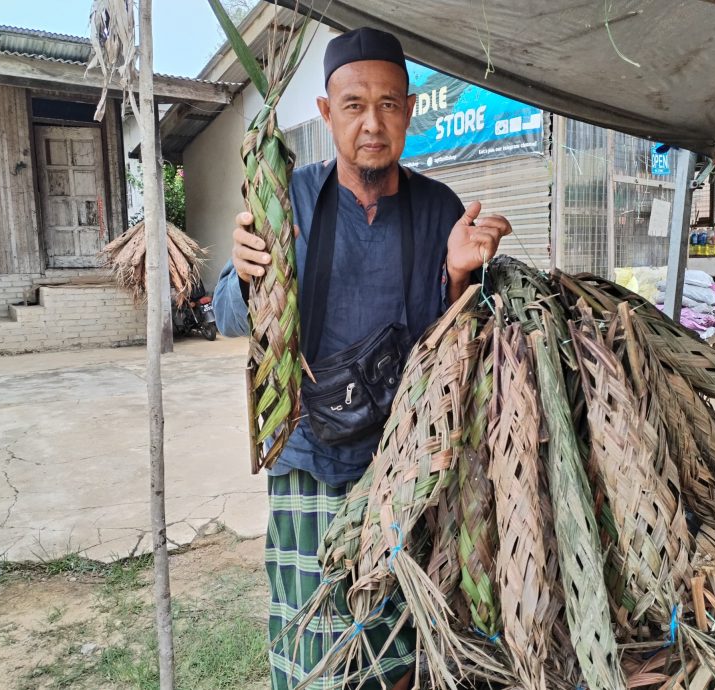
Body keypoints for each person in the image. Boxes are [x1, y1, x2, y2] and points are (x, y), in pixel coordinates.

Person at [213, 27, 512, 690]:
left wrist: (463, 276)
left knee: (395, 642)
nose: (372, 123)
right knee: (310, 643)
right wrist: (243, 275)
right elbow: (230, 318)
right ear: (326, 113)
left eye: (387, 104)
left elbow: (462, 348)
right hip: (308, 459)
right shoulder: (288, 200)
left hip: (400, 465)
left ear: (408, 110)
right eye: (353, 105)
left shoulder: (441, 211)